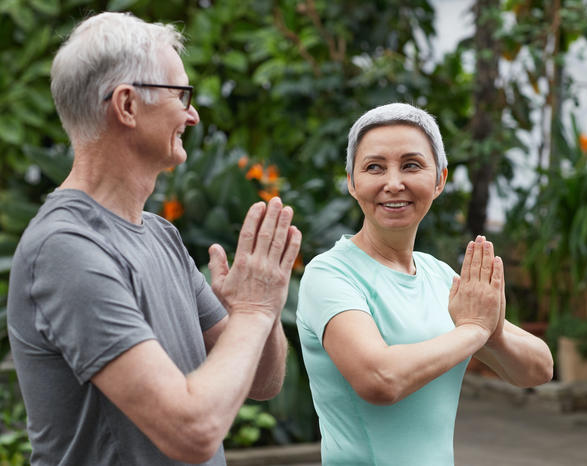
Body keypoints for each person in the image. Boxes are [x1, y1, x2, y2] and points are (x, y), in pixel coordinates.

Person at [7, 12, 301, 466]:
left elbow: (264, 382)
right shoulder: (66, 248)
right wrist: (255, 310)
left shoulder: (160, 235)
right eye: (182, 94)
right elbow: (193, 431)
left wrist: (261, 308)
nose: (193, 114)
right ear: (127, 106)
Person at [296, 103, 553, 465]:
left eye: (412, 165)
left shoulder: (438, 276)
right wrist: (474, 330)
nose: (394, 183)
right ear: (353, 183)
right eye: (374, 167)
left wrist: (492, 333)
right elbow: (380, 379)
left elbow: (539, 369)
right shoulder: (331, 275)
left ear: (440, 180)